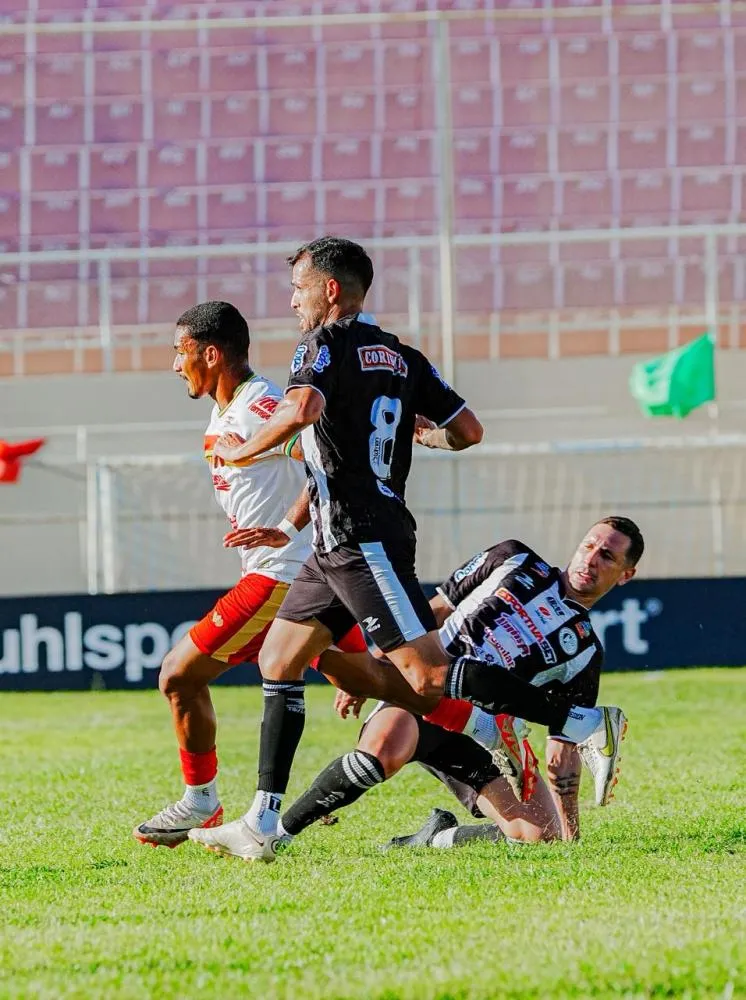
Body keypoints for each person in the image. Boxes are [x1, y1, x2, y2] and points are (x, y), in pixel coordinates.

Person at [187, 237, 629, 863]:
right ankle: (261, 823)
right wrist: (416, 442)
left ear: (330, 289)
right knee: (280, 658)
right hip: (334, 541)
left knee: (421, 675)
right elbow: (468, 431)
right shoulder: (402, 356)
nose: (292, 302)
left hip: (363, 536)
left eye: (298, 289)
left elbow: (303, 407)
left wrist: (241, 448)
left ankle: (580, 721)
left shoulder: (322, 345)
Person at [132, 300, 430, 849]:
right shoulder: (228, 408)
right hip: (303, 566)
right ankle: (476, 715)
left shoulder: (260, 403)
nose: (176, 365)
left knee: (177, 675)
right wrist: (289, 526)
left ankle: (202, 800)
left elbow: (321, 456)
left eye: (181, 352)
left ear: (211, 353)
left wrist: (287, 533)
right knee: (364, 678)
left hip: (281, 576)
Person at [238, 518, 643, 859]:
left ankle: (435, 837)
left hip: (482, 735)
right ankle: (277, 835)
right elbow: (434, 610)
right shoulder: (513, 557)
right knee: (385, 749)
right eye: (588, 545)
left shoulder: (586, 652)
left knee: (542, 836)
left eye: (606, 556)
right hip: (420, 689)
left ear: (626, 575)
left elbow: (563, 748)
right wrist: (378, 670)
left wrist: (571, 833)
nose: (590, 559)